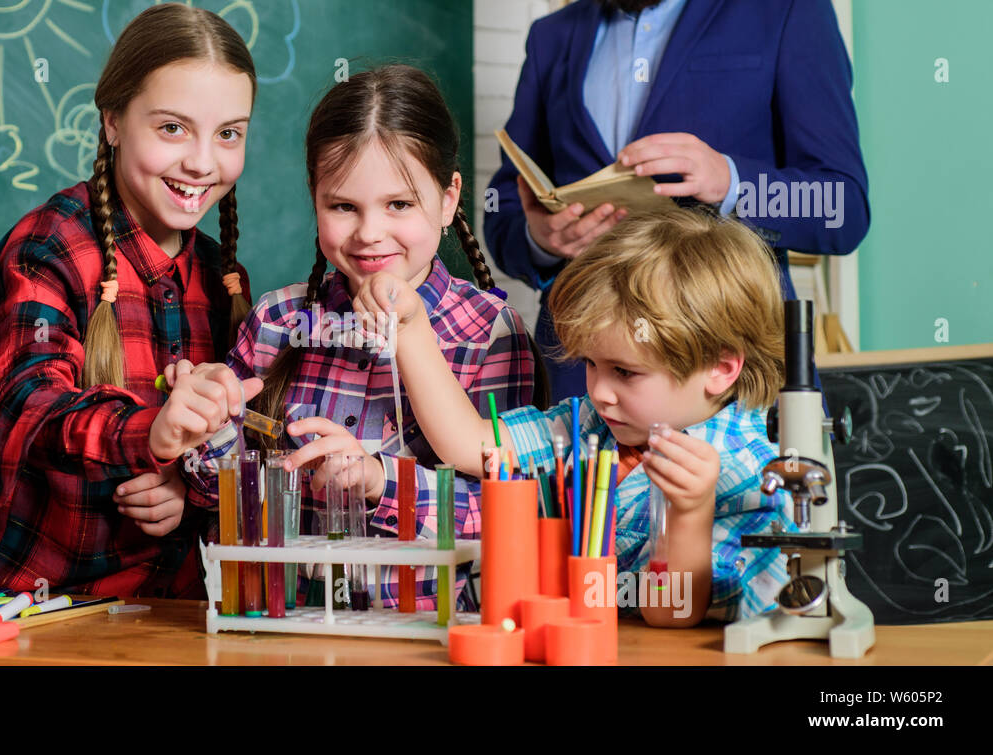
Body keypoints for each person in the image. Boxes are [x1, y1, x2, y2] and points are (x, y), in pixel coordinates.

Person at [0, 5, 261, 598]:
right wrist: (148, 434)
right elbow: (25, 403)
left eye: (228, 133)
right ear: (112, 121)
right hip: (21, 609)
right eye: (172, 128)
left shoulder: (223, 278)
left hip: (158, 619)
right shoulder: (49, 246)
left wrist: (191, 484)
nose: (204, 162)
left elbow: (237, 450)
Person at [180, 65, 540, 610]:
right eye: (343, 206)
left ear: (447, 200)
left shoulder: (490, 333)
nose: (370, 233)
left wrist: (379, 482)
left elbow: (509, 520)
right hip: (284, 628)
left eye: (399, 205)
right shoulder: (277, 322)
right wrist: (205, 426)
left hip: (426, 638)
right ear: (314, 198)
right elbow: (212, 500)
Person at [354, 208, 796, 625]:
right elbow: (469, 445)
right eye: (590, 364)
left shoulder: (750, 476)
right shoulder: (588, 426)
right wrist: (411, 330)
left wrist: (689, 513)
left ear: (720, 368)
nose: (599, 391)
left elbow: (670, 612)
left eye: (625, 372)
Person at [485, 0, 869, 397]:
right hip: (580, 379)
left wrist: (731, 182)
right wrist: (541, 239)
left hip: (728, 370)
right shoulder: (551, 36)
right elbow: (501, 207)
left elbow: (844, 208)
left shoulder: (789, 11)